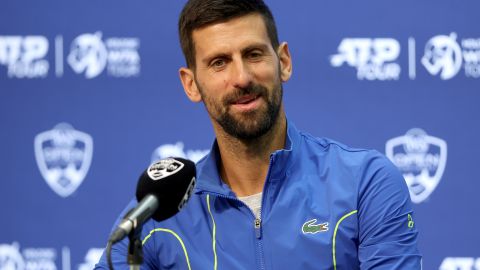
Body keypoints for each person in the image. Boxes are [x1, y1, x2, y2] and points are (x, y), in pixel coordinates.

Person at [96, 0, 422, 269]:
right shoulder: (156, 214)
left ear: (283, 61)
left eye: (253, 54)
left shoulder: (364, 183)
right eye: (219, 63)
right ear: (191, 84)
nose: (242, 77)